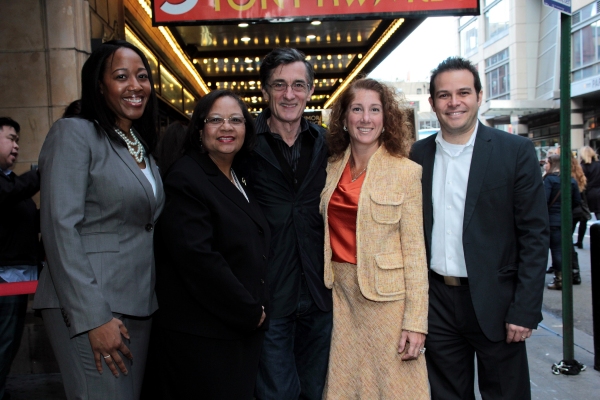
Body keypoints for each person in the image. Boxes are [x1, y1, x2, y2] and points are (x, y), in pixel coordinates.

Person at [409, 56, 549, 400]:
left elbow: (534, 234)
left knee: (505, 393)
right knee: (446, 395)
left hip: (497, 303)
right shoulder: (417, 155)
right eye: (444, 95)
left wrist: (525, 309)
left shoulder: (514, 151)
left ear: (479, 96)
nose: (453, 102)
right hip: (437, 302)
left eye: (463, 92)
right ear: (432, 102)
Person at [32, 40, 164, 400]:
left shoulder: (137, 145)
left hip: (136, 303)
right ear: (99, 84)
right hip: (93, 306)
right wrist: (93, 317)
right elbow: (60, 227)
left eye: (142, 76)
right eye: (121, 77)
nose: (135, 86)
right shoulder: (74, 133)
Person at [150, 90, 270, 399]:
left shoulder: (236, 176)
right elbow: (198, 260)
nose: (226, 127)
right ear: (200, 130)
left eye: (235, 120)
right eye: (215, 120)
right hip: (203, 339)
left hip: (232, 335)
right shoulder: (186, 178)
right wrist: (249, 311)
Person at [320, 78, 429, 398]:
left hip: (389, 303)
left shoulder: (406, 172)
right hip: (341, 298)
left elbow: (414, 250)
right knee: (345, 385)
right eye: (357, 109)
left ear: (386, 119)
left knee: (394, 389)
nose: (365, 118)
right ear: (344, 118)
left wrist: (416, 321)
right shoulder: (329, 167)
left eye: (374, 110)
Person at [242, 47, 333, 400]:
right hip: (270, 296)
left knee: (315, 392)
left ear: (310, 90)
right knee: (277, 394)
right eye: (279, 85)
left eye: (298, 85)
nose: (289, 94)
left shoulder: (329, 143)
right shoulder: (243, 142)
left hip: (319, 295)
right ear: (265, 91)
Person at [0, 117, 40, 400]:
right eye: (11, 139)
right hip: (6, 275)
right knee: (5, 338)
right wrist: (40, 173)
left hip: (21, 275)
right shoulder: (10, 186)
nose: (16, 146)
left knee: (10, 339)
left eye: (17, 141)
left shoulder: (10, 181)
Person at [544, 155, 581, 290]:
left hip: (552, 220)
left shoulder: (549, 180)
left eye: (547, 163)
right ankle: (569, 275)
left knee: (556, 250)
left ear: (552, 164)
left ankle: (560, 279)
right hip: (566, 219)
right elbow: (577, 200)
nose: (545, 165)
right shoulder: (571, 180)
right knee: (565, 248)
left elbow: (544, 199)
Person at [574, 152, 591, 248]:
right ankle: (579, 240)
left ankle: (579, 241)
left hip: (583, 196)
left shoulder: (582, 167)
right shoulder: (580, 168)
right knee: (584, 218)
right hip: (587, 194)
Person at [579, 146, 600, 220]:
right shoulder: (598, 164)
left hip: (589, 193)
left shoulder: (582, 167)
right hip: (598, 191)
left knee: (586, 216)